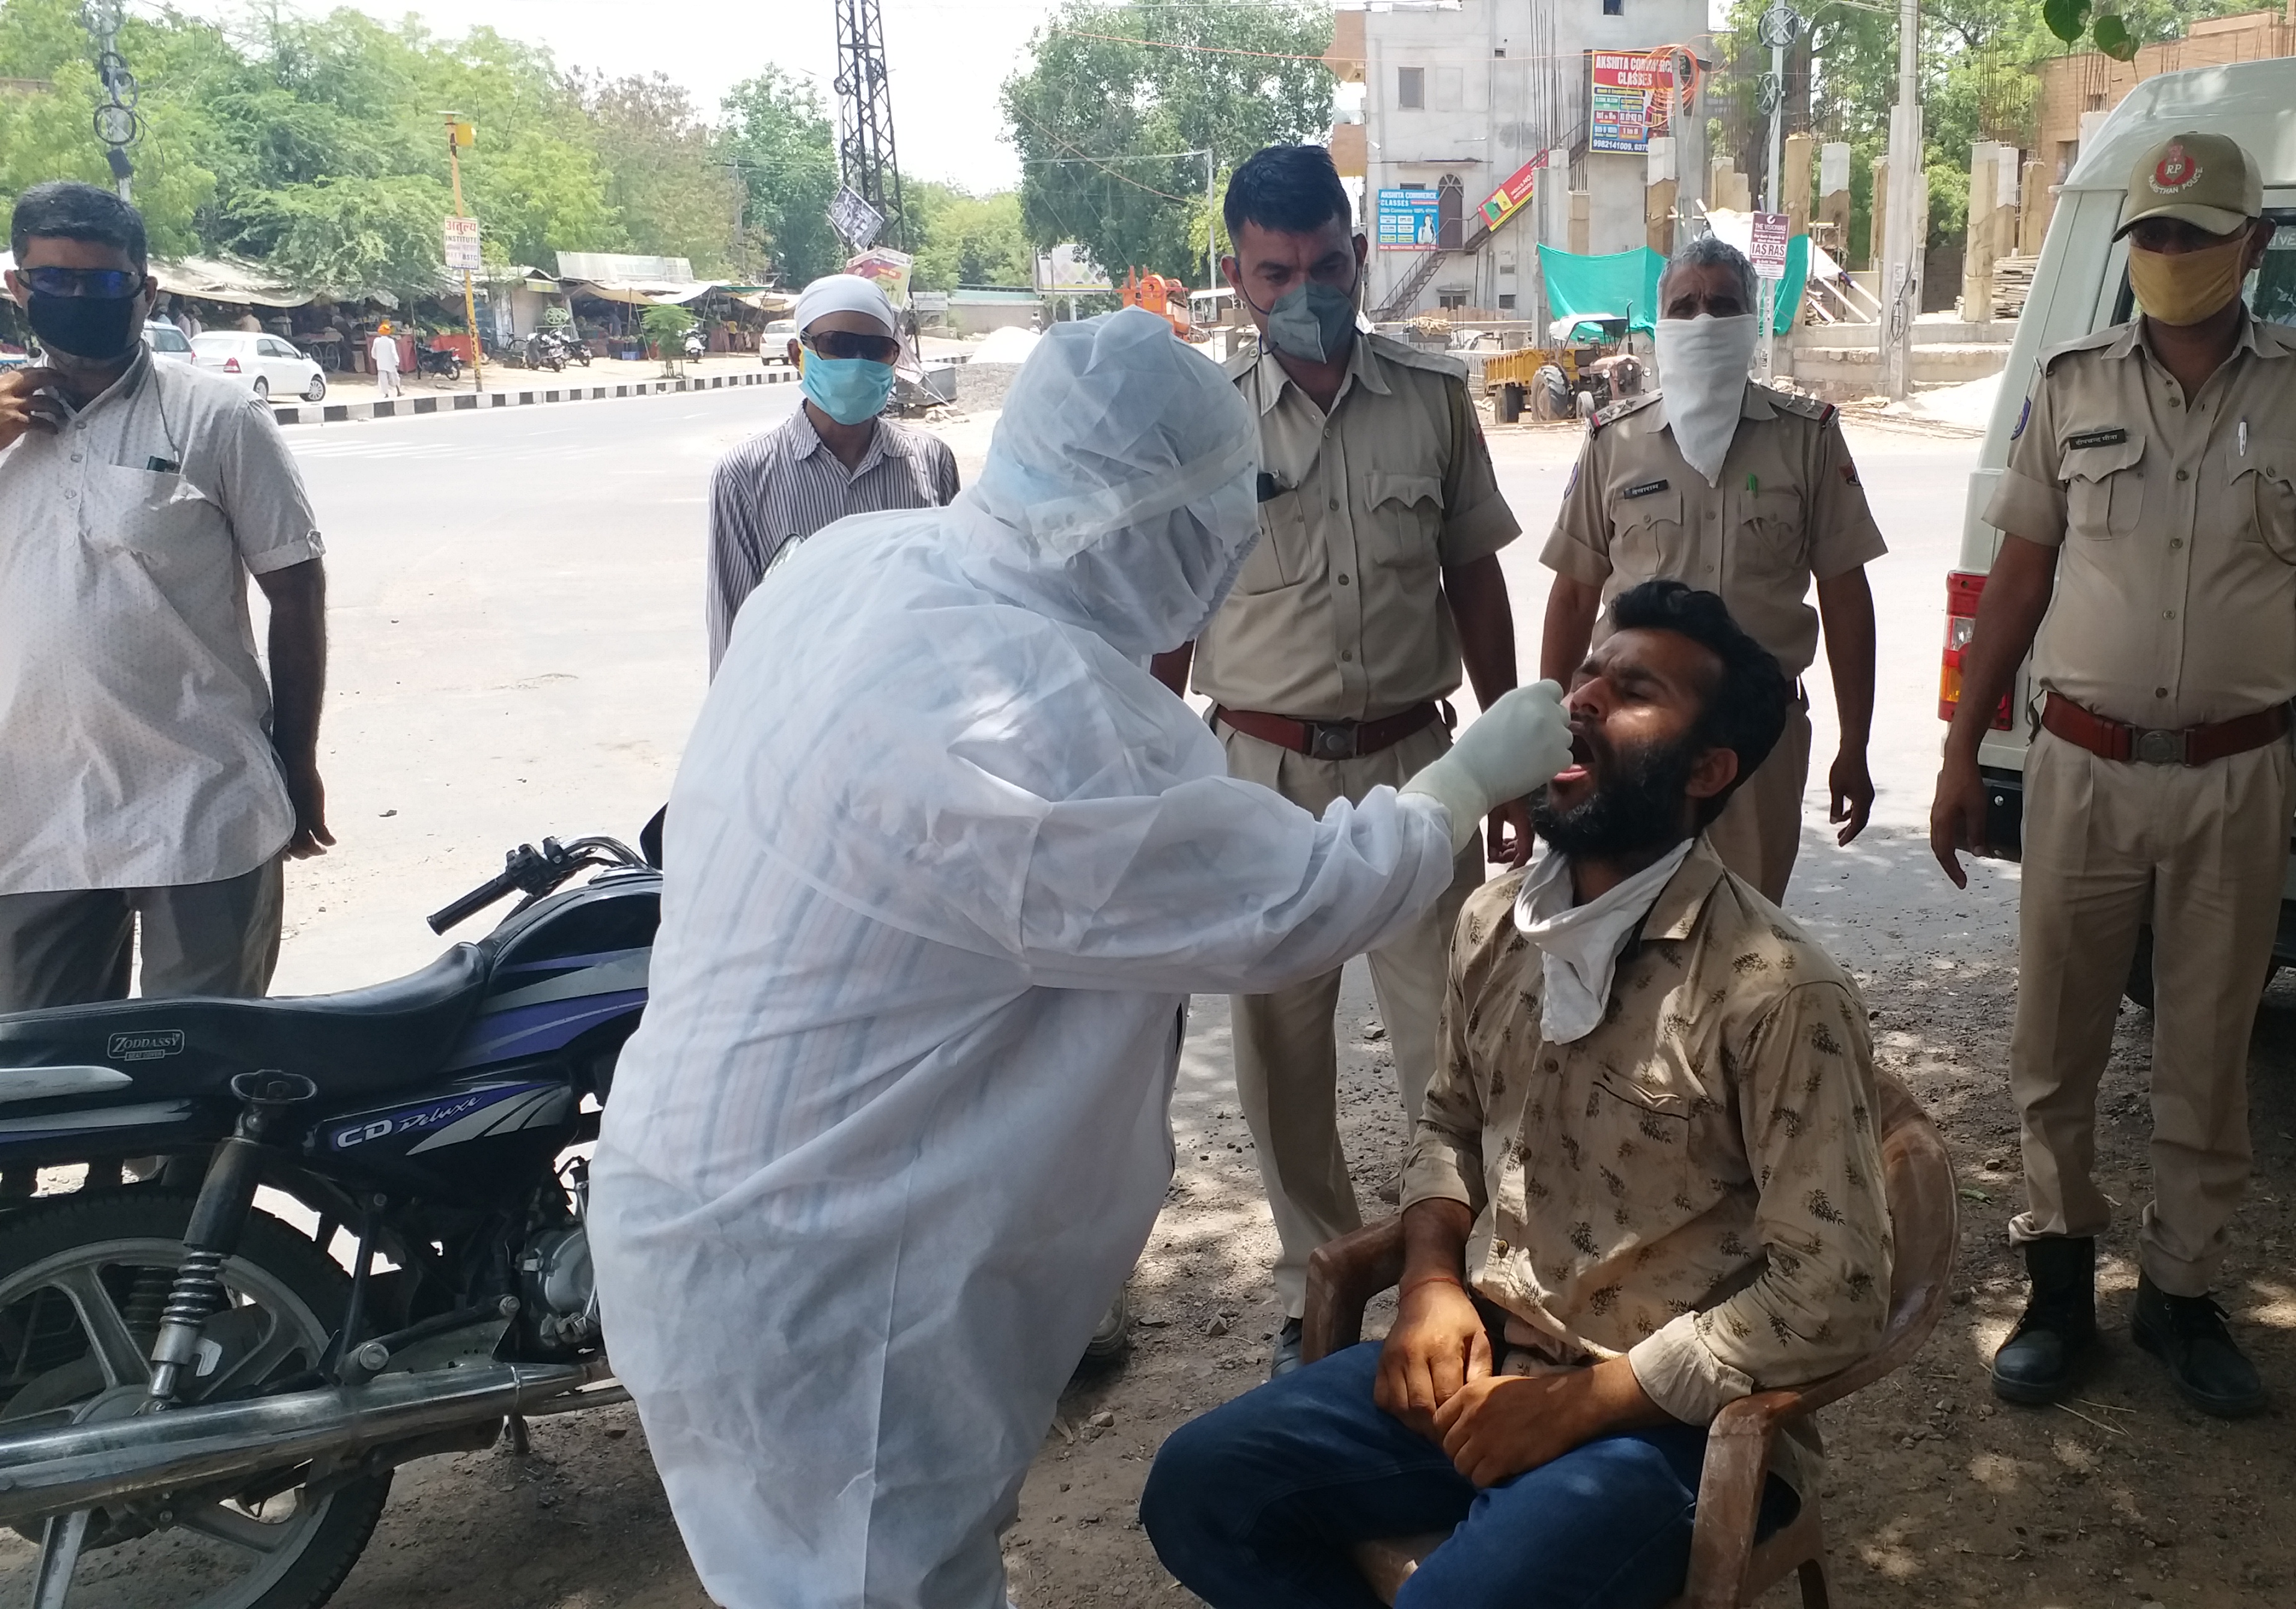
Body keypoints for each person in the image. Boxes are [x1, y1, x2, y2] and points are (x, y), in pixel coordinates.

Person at [588, 309, 1575, 1609]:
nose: (1234, 550)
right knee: (871, 1581)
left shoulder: (864, 567)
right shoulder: (1032, 712)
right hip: (835, 1281)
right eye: (1221, 518)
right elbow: (1292, 902)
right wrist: (1460, 781)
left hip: (727, 1197)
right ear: (1141, 521)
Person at [1145, 580, 1901, 1607]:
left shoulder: (1771, 988)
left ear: (1708, 768)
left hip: (1671, 1429)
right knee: (1199, 1487)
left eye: (1632, 690)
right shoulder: (1498, 920)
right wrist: (1428, 1283)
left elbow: (1836, 1285)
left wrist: (1586, 1403)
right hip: (1484, 1359)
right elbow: (1447, 1120)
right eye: (1586, 670)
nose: (1580, 697)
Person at [1930, 132, 2296, 1419]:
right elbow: (2018, 578)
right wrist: (1962, 752)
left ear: (2255, 245)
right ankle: (2060, 1286)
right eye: (2154, 235)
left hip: (2240, 777)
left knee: (2209, 1046)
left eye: (2199, 235)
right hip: (2082, 764)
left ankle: (2183, 1299)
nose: (2173, 258)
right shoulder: (2072, 380)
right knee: (2056, 1044)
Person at [1148, 143, 1528, 1377]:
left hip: (1415, 760)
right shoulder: (1198, 421)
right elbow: (1169, 619)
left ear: (1357, 256)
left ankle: (1449, 1276)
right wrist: (1154, 783)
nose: (1299, 289)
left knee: (1453, 1043)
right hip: (1259, 776)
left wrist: (1512, 744)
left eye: (1322, 263)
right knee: (1279, 1055)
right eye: (1272, 272)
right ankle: (1319, 1280)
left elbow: (1473, 573)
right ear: (1237, 273)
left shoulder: (1431, 397)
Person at [0, 181, 330, 1012]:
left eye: (105, 283)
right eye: (57, 282)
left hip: (203, 808)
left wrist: (296, 760)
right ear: (17, 289)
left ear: (144, 291)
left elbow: (296, 593)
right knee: (43, 1091)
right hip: (32, 823)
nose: (80, 300)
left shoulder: (215, 420)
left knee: (196, 1095)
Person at [1537, 235, 1886, 905]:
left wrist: (1856, 744)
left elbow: (1846, 597)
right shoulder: (1616, 441)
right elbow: (1575, 594)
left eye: (1723, 305)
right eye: (1685, 305)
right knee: (1624, 924)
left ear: (1751, 323)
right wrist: (1547, 735)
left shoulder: (1806, 437)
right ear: (1660, 321)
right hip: (1630, 736)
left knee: (1744, 933)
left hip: (1757, 741)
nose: (1703, 320)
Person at [703, 272, 959, 672]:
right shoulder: (746, 476)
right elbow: (731, 626)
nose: (857, 364)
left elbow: (954, 606)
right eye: (837, 345)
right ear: (796, 353)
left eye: (875, 350)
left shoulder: (931, 461)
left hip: (911, 706)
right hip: (796, 713)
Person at [369, 320, 400, 398]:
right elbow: (394, 352)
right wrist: (397, 361)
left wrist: (377, 359)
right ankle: (398, 391)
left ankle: (386, 394)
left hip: (381, 363)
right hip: (391, 362)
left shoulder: (376, 341)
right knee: (395, 377)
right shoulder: (391, 341)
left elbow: (373, 353)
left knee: (383, 379)